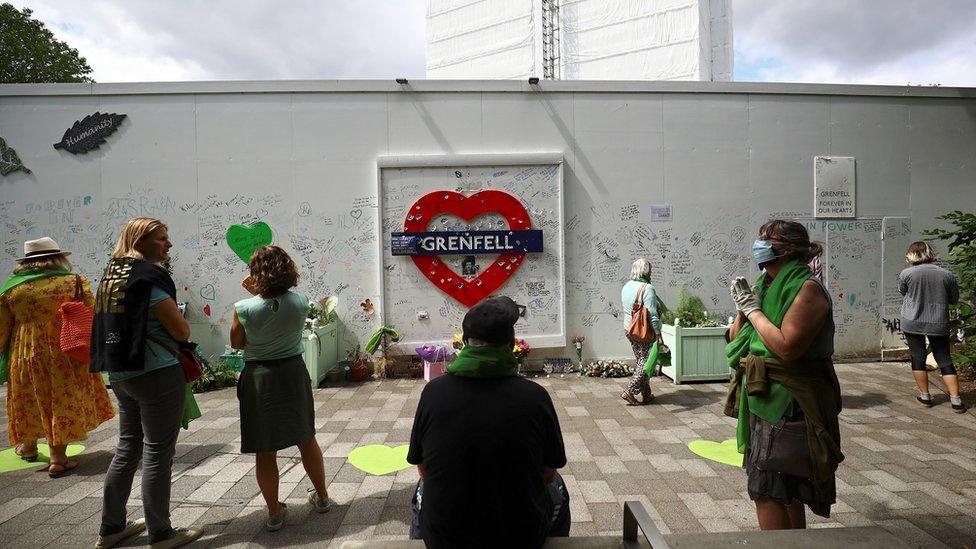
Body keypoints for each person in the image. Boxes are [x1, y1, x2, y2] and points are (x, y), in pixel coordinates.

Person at [407, 296, 570, 548]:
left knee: (421, 490)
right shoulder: (535, 397)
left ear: (464, 342)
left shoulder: (433, 393)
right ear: (511, 343)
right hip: (519, 539)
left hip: (447, 539)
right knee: (558, 488)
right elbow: (548, 473)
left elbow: (423, 469)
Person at [725, 220, 843, 530]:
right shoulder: (765, 285)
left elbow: (787, 347)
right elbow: (737, 339)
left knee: (769, 488)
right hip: (764, 394)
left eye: (767, 239)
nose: (759, 244)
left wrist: (753, 311)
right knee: (782, 487)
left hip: (791, 400)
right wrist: (743, 308)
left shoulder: (808, 289)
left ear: (788, 249)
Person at [93, 218, 202, 549]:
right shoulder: (148, 280)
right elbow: (182, 331)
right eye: (161, 239)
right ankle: (161, 533)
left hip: (122, 373)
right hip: (156, 373)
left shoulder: (113, 277)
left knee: (127, 448)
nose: (168, 245)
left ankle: (111, 527)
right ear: (139, 241)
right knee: (157, 452)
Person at [231, 246, 331, 532]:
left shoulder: (243, 308)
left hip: (259, 377)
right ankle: (322, 497)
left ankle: (274, 513)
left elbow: (238, 343)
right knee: (306, 436)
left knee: (265, 447)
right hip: (292, 372)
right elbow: (276, 309)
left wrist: (252, 297)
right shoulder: (300, 302)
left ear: (255, 273)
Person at [0, 237, 114, 477]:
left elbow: (2, 327)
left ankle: (28, 447)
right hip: (66, 349)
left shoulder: (12, 289)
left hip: (26, 352)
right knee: (60, 399)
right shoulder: (74, 282)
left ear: (26, 262)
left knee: (30, 397)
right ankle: (58, 459)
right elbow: (92, 314)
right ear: (58, 258)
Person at [899, 241, 966, 413]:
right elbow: (953, 299)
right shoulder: (946, 275)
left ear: (911, 255)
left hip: (912, 321)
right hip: (938, 322)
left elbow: (903, 291)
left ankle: (925, 396)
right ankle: (956, 400)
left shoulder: (906, 274)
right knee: (944, 358)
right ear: (930, 253)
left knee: (918, 357)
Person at [620, 258, 663, 405]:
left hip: (629, 329)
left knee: (640, 359)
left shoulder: (626, 286)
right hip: (642, 331)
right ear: (646, 271)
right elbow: (652, 314)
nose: (651, 273)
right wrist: (658, 333)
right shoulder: (647, 288)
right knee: (644, 362)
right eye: (650, 270)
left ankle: (646, 394)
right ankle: (629, 391)